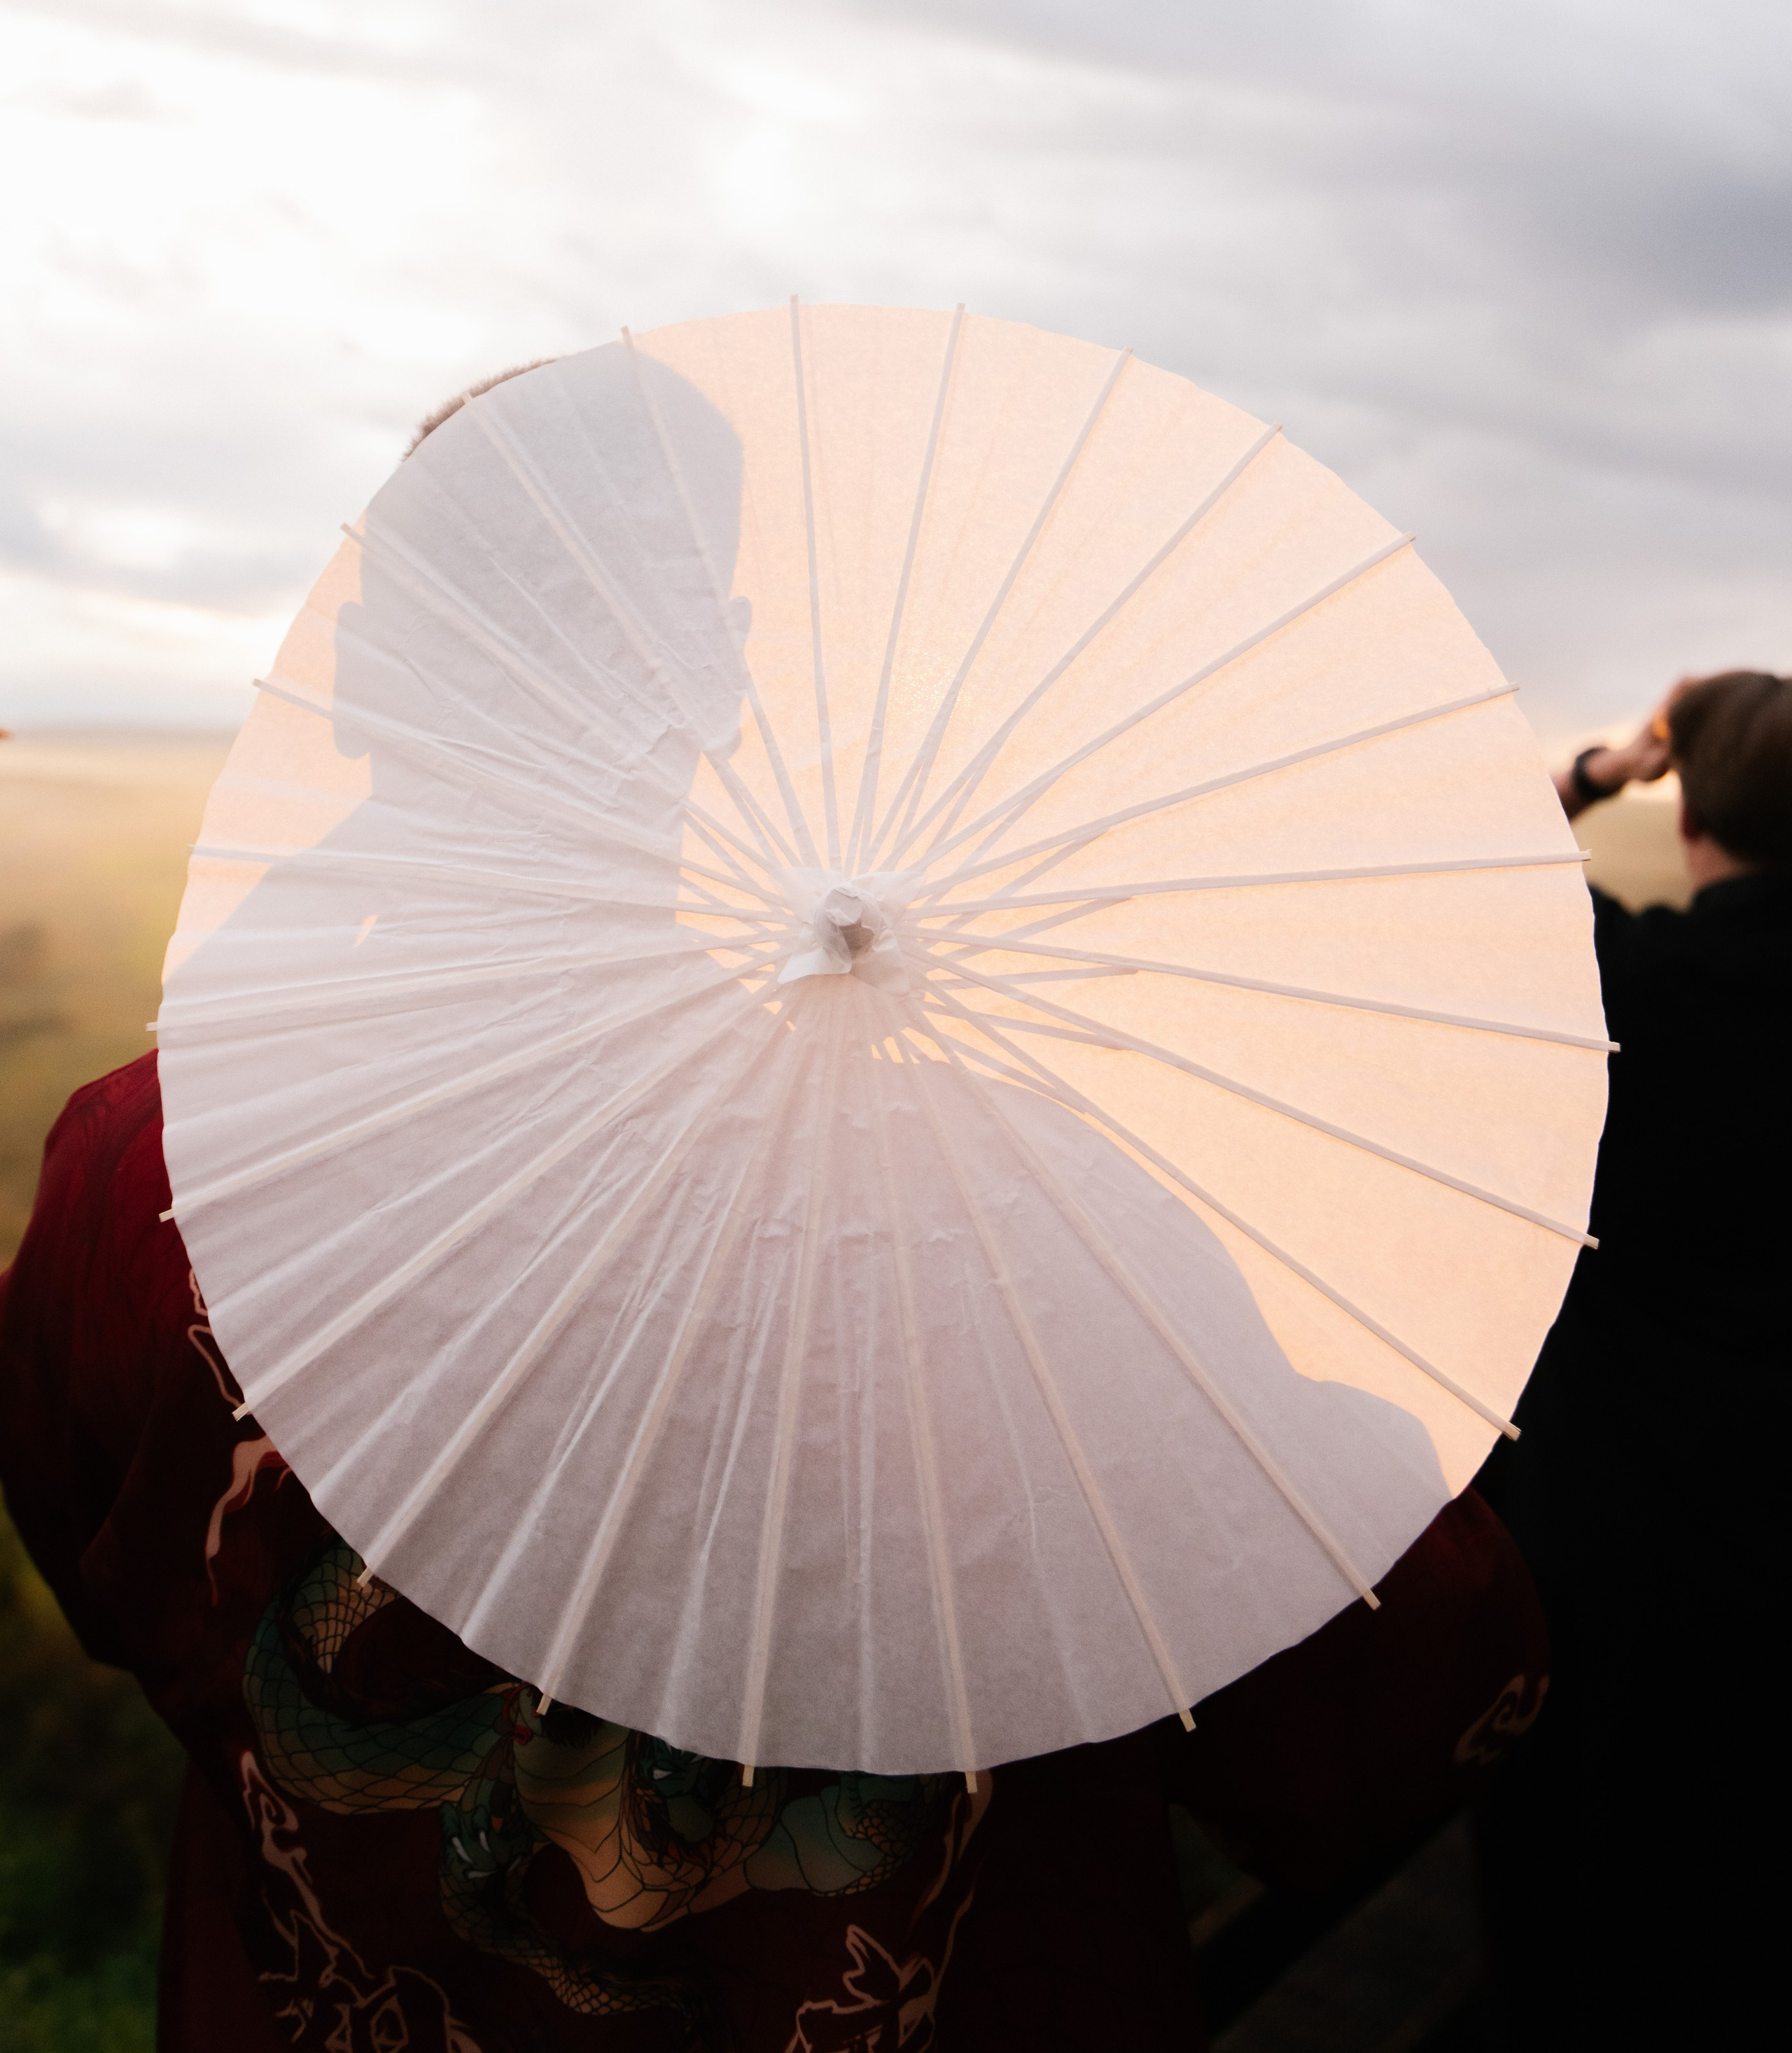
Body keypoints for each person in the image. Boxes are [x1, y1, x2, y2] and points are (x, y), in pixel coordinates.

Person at [0, 367, 1554, 2050]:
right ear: (717, 676)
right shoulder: (1007, 1208)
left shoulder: (137, 1165)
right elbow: (1394, 1704)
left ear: (364, 676)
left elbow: (121, 1598)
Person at [1475, 671, 1792, 2047]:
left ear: (1688, 803)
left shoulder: (1635, 994)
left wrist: (1599, 770)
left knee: (1574, 1885)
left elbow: (1495, 852)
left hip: (1600, 1525)